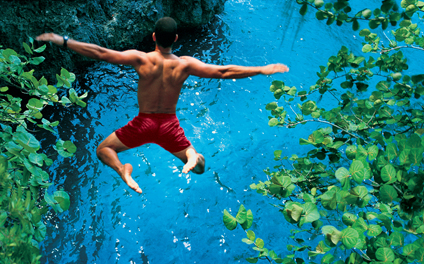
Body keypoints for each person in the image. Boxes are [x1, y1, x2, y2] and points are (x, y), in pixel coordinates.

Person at [36, 17, 289, 194]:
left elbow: (100, 52)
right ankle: (193, 156)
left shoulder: (141, 59)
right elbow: (223, 71)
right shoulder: (184, 64)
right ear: (176, 39)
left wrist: (64, 40)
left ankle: (123, 171)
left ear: (154, 36)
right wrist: (261, 69)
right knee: (200, 169)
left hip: (143, 124)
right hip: (169, 125)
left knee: (103, 150)